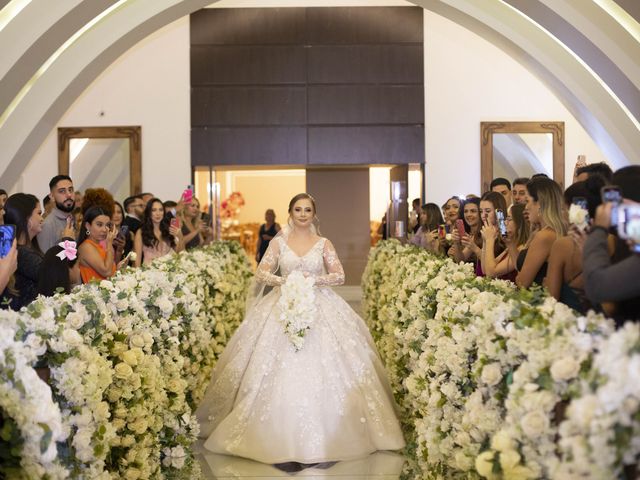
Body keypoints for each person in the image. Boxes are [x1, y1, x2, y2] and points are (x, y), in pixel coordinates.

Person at [196, 193, 404, 467]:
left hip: (320, 304)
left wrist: (313, 280)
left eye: (307, 209)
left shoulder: (324, 243)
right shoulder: (278, 243)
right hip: (282, 303)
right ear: (290, 212)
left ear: (313, 214)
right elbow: (261, 273)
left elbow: (339, 275)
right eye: (298, 209)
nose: (303, 214)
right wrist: (286, 281)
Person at [1, 193, 61, 310]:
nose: (42, 218)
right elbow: (55, 277)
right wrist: (67, 243)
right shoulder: (22, 253)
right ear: (27, 219)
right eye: (38, 213)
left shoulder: (27, 250)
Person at [516, 178, 567, 288]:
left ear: (539, 203)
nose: (526, 207)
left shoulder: (545, 236)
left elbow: (522, 282)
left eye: (527, 201)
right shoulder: (545, 232)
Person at [481, 203, 529, 281]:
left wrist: (490, 240)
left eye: (509, 219)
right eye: (505, 219)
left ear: (519, 223)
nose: (505, 223)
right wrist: (485, 241)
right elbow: (485, 269)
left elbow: (491, 272)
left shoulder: (521, 248)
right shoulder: (512, 245)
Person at [133, 198, 183, 267]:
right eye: (154, 210)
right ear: (149, 213)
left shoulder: (168, 229)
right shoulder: (141, 232)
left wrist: (179, 236)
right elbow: (137, 260)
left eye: (161, 210)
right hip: (148, 273)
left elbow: (178, 254)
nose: (158, 213)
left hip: (168, 272)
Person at [77, 206, 118, 283]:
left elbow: (110, 271)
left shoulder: (100, 245)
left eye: (107, 225)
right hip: (93, 293)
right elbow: (106, 272)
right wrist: (109, 244)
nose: (104, 230)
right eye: (99, 225)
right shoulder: (86, 247)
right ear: (88, 226)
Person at [39, 175, 76, 252]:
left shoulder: (73, 219)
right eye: (62, 191)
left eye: (70, 190)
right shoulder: (48, 225)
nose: (69, 195)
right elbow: (45, 260)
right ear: (52, 196)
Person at [450, 198, 481, 264]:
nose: (468, 214)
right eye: (466, 211)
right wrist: (456, 243)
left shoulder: (484, 233)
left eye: (473, 211)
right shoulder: (467, 233)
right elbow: (460, 261)